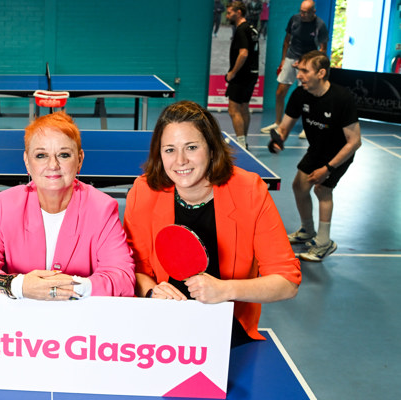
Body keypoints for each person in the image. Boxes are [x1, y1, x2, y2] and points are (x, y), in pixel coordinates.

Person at [124, 100, 301, 347]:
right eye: (169, 150)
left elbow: (287, 282)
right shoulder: (144, 192)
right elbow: (134, 268)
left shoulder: (249, 191)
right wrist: (152, 291)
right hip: (160, 323)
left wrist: (225, 290)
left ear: (211, 148)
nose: (180, 161)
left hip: (227, 327)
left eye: (192, 147)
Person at [0, 112, 135, 300]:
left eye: (64, 155)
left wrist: (70, 288)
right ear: (27, 161)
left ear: (80, 160)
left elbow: (123, 279)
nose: (53, 165)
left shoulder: (102, 209)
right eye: (41, 155)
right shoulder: (6, 205)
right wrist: (20, 286)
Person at [269, 51, 361, 262]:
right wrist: (278, 138)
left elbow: (354, 141)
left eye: (304, 70)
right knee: (299, 186)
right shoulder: (300, 94)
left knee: (322, 189)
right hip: (317, 149)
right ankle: (307, 231)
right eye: (299, 70)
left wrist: (327, 169)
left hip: (339, 153)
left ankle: (323, 242)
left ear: (320, 73)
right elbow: (285, 126)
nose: (299, 75)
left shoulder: (341, 98)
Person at [261, 0, 328, 138]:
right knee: (280, 92)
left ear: (313, 12)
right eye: (301, 11)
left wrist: (315, 67)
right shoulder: (294, 19)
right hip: (291, 57)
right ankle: (278, 123)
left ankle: (308, 127)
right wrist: (283, 60)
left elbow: (323, 49)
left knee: (307, 96)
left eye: (306, 12)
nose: (302, 14)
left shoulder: (320, 25)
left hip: (308, 63)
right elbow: (287, 41)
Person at [225, 1, 259, 149]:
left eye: (229, 13)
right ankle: (243, 142)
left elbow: (243, 53)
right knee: (244, 107)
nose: (227, 16)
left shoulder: (241, 30)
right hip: (252, 74)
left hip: (242, 75)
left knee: (233, 109)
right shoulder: (252, 29)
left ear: (238, 12)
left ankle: (241, 145)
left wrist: (232, 72)